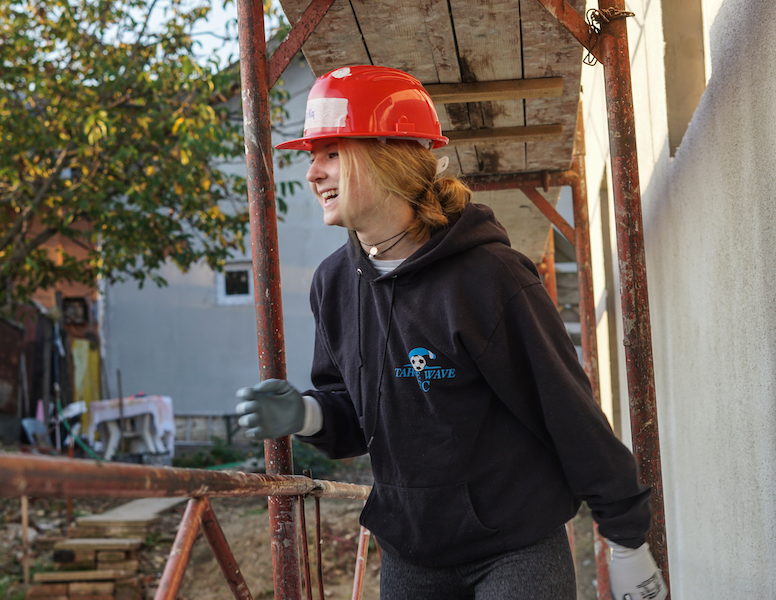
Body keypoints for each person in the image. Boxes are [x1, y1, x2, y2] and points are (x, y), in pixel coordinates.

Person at [236, 65, 667, 600]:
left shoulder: (489, 277)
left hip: (514, 548)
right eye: (311, 157)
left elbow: (566, 408)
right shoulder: (334, 284)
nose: (312, 174)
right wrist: (304, 414)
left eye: (331, 154)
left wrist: (626, 540)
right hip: (412, 554)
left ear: (389, 158)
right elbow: (355, 417)